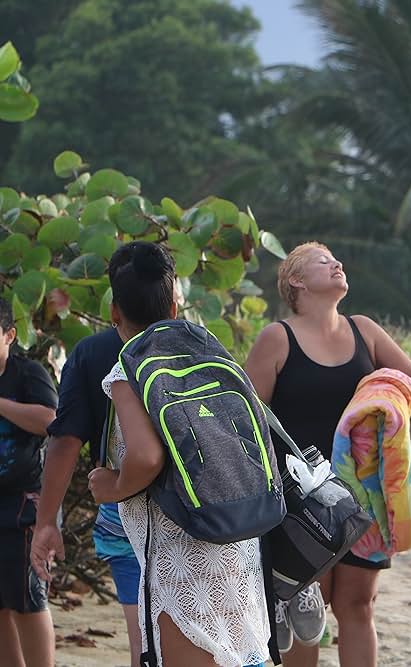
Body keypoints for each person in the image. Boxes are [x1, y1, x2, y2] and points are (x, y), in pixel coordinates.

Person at [244, 241, 411, 667]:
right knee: (307, 607)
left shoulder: (364, 329)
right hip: (303, 500)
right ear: (296, 280)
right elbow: (250, 423)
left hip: (365, 494)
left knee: (358, 605)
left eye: (336, 260)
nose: (338, 265)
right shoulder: (277, 338)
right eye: (324, 262)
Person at [86, 241, 270, 667]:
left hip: (181, 555)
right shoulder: (210, 354)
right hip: (238, 541)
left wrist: (113, 487)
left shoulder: (128, 370)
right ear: (174, 305)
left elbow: (147, 457)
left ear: (115, 311)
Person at [31, 256, 142, 667]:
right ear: (173, 309)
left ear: (113, 310)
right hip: (203, 514)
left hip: (125, 510)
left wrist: (47, 522)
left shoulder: (93, 352)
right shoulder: (201, 347)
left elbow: (65, 442)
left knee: (144, 644)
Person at [0, 296, 58, 667]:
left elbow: (51, 420)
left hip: (22, 504)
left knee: (26, 597)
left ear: (8, 335)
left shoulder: (27, 374)